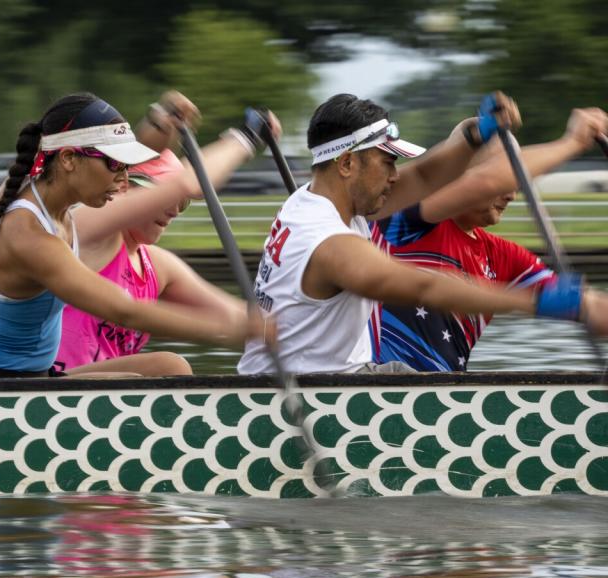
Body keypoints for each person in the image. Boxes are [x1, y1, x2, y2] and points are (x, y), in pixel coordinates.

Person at [238, 92, 599, 376]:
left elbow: (425, 176)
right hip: (312, 397)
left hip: (323, 381)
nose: (396, 176)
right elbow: (426, 287)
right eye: (388, 163)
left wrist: (477, 133)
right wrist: (533, 303)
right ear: (347, 163)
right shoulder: (329, 241)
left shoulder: (317, 200)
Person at [0, 92, 266, 379]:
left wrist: (160, 118)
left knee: (170, 367)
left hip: (35, 380)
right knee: (144, 379)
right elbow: (124, 311)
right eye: (116, 165)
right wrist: (230, 329)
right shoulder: (30, 235)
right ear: (69, 159)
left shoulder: (55, 204)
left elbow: (96, 158)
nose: (123, 180)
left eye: (127, 166)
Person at [370, 107, 608, 371]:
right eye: (508, 179)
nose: (511, 195)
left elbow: (589, 305)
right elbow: (485, 183)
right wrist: (573, 142)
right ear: (458, 175)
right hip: (381, 385)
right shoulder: (405, 223)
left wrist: (592, 309)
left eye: (515, 184)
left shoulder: (504, 255)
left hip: (441, 394)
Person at [56, 102, 281, 376]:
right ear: (127, 190)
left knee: (168, 367)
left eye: (182, 203)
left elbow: (235, 316)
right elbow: (188, 182)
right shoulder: (87, 230)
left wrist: (282, 325)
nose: (175, 210)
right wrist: (246, 137)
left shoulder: (159, 267)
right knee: (169, 366)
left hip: (102, 395)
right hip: (48, 389)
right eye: (165, 198)